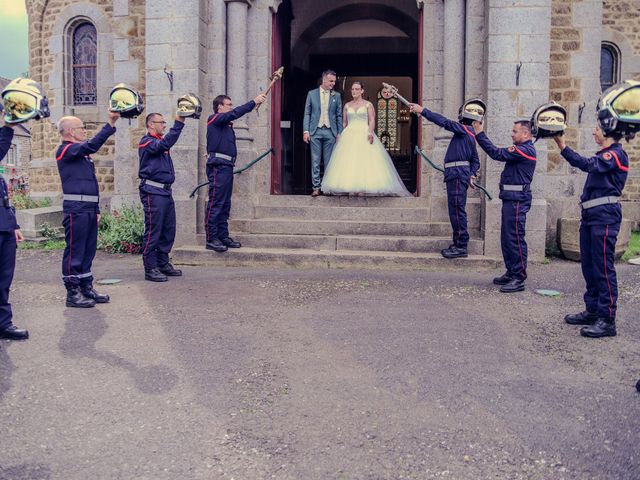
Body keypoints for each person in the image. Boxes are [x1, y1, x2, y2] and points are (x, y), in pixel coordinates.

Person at [552, 125, 628, 338]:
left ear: (608, 133)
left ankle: (607, 320)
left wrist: (563, 146)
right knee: (589, 265)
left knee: (603, 267)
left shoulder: (615, 154)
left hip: (604, 216)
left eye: (596, 129)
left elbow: (587, 165)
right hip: (592, 216)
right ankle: (593, 310)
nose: (593, 132)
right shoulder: (605, 155)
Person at [56, 111, 119, 307]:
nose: (84, 130)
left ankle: (86, 287)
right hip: (76, 208)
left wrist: (96, 208)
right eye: (81, 128)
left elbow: (90, 182)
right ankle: (72, 292)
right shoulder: (65, 150)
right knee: (75, 249)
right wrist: (110, 123)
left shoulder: (82, 154)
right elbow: (91, 144)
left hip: (89, 207)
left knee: (88, 250)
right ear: (70, 132)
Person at [409, 99, 483, 258]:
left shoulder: (464, 130)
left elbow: (444, 122)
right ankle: (458, 243)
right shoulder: (468, 134)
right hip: (457, 175)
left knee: (457, 211)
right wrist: (471, 174)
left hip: (456, 175)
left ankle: (461, 246)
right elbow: (475, 161)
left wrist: (423, 111)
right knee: (456, 211)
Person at [473, 120, 537, 293]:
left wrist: (479, 133)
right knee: (507, 238)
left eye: (515, 131)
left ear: (525, 134)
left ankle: (518, 277)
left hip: (517, 200)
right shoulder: (521, 150)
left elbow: (496, 153)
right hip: (511, 199)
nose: (512, 133)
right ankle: (511, 271)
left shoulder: (524, 150)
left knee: (515, 238)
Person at [321, 82, 410, 197]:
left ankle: (363, 187)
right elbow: (344, 122)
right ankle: (350, 186)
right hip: (349, 133)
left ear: (362, 91)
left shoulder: (368, 105)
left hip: (364, 132)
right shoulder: (347, 105)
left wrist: (370, 132)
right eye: (352, 89)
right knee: (349, 160)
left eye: (357, 89)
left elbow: (372, 120)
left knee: (364, 159)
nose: (354, 91)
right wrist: (339, 134)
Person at [205, 93, 266, 252]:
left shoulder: (225, 125)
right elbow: (235, 113)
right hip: (218, 166)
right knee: (216, 202)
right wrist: (253, 102)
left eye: (232, 105)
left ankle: (222, 235)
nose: (231, 107)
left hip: (226, 166)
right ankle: (211, 238)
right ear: (220, 107)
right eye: (228, 104)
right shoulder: (214, 118)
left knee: (225, 203)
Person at [138, 111, 185, 282]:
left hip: (165, 191)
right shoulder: (147, 142)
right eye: (161, 122)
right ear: (151, 124)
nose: (164, 125)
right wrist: (178, 123)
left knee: (168, 229)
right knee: (154, 230)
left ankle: (162, 263)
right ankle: (150, 268)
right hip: (152, 191)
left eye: (166, 122)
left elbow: (164, 145)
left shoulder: (158, 142)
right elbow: (164, 145)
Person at [0, 119, 28, 340]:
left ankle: (3, 323)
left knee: (4, 278)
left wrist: (13, 224)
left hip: (4, 226)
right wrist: (8, 127)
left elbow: (4, 197)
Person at [303, 70, 343, 197]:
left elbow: (339, 115)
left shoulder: (336, 96)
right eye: (331, 81)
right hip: (315, 131)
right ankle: (316, 187)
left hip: (330, 132)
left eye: (334, 81)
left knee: (329, 162)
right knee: (315, 161)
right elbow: (307, 113)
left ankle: (326, 187)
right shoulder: (312, 94)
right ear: (324, 79)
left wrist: (339, 132)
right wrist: (306, 131)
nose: (333, 84)